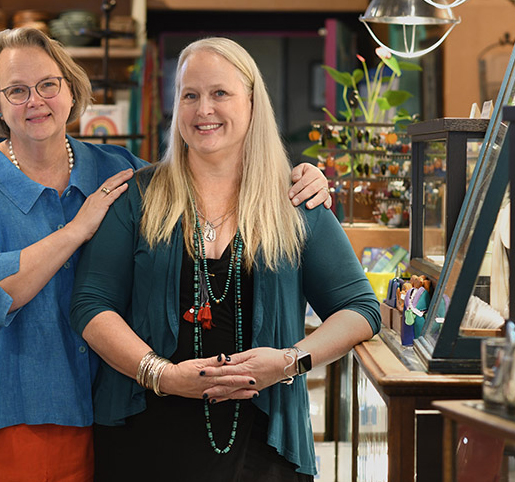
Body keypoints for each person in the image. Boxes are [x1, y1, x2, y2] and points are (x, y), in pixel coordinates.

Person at [0, 27, 331, 481]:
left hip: (88, 414)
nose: (34, 100)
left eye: (47, 85)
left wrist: (300, 177)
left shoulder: (115, 168)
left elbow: (202, 176)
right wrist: (76, 230)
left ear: (71, 91)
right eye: (15, 91)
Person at [70, 37, 381, 481]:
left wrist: (290, 361)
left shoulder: (292, 199)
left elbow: (362, 310)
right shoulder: (138, 196)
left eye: (220, 93)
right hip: (143, 437)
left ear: (252, 103)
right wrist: (161, 374)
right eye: (190, 95)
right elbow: (90, 304)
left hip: (262, 440)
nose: (203, 110)